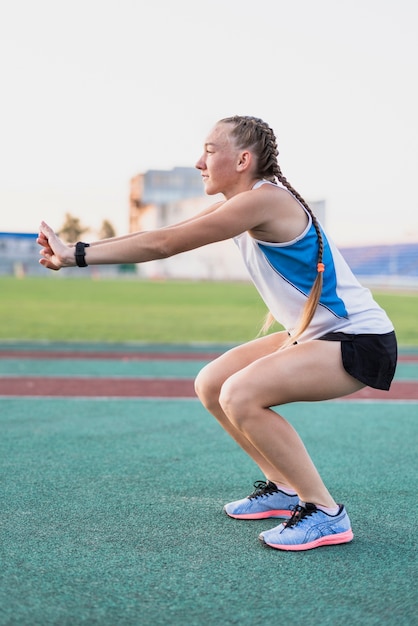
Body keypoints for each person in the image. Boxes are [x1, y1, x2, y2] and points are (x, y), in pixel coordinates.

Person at [38, 115, 397, 551]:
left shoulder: (263, 201)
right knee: (211, 383)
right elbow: (164, 233)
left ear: (243, 159)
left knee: (240, 394)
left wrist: (76, 257)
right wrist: (75, 250)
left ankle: (324, 512)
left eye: (209, 151)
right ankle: (281, 487)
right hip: (315, 334)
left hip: (358, 341)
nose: (198, 162)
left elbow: (164, 247)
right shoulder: (246, 201)